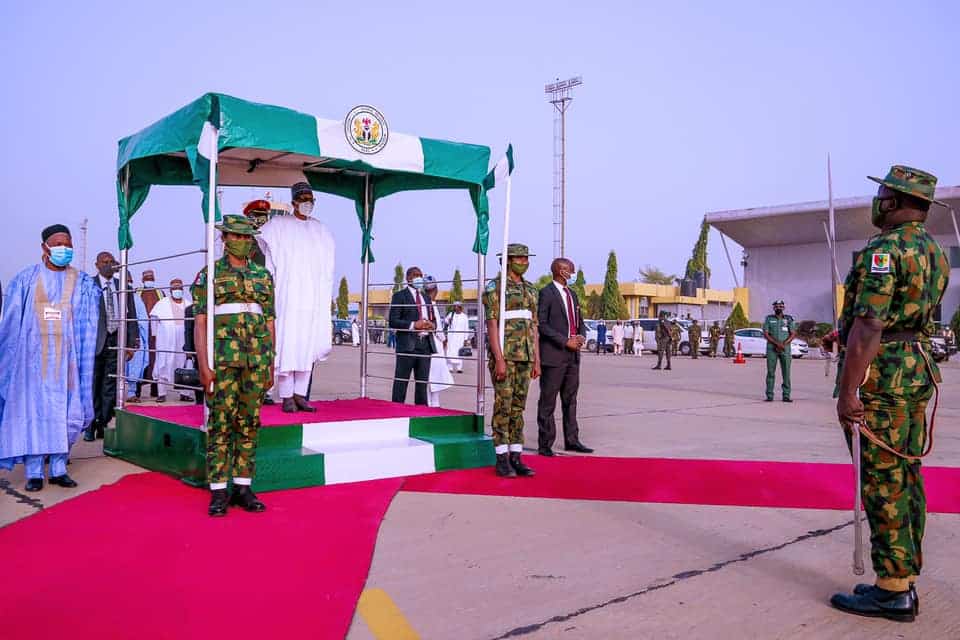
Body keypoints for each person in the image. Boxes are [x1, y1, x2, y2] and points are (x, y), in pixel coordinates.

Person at [830, 166, 949, 622]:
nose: (876, 201)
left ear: (895, 201)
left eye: (881, 193)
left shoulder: (885, 250)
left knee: (882, 483)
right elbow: (900, 318)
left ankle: (892, 589)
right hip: (912, 370)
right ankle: (902, 577)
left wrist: (848, 391)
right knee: (905, 475)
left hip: (882, 380)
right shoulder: (933, 250)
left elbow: (871, 324)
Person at [0, 225, 100, 490]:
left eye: (67, 244)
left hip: (67, 363)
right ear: (44, 247)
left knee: (64, 414)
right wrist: (7, 365)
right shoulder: (25, 280)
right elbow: (10, 323)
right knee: (33, 413)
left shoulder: (83, 283)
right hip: (30, 364)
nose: (64, 249)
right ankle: (34, 472)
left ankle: (58, 467)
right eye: (58, 244)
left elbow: (89, 323)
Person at [192, 215, 276, 517]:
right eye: (237, 237)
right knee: (220, 424)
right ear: (225, 239)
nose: (243, 242)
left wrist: (270, 363)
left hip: (255, 361)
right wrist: (203, 364)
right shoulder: (209, 275)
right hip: (223, 362)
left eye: (247, 237)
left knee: (249, 422)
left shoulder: (263, 276)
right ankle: (218, 489)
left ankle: (243, 486)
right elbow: (200, 323)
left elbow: (269, 321)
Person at [256, 182, 334, 414]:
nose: (307, 203)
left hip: (313, 297)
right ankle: (287, 396)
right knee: (288, 343)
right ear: (293, 202)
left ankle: (301, 395)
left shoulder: (321, 230)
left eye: (310, 199)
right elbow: (261, 243)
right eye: (303, 199)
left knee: (308, 344)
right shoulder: (278, 225)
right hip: (289, 295)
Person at [484, 244, 540, 477]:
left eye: (527, 258)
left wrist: (537, 359)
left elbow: (534, 326)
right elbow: (492, 325)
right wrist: (498, 359)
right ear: (507, 260)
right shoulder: (495, 288)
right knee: (503, 407)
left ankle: (516, 455)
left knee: (518, 408)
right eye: (520, 258)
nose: (524, 262)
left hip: (525, 357)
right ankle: (501, 457)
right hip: (505, 356)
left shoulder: (531, 289)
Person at [536, 257, 593, 457]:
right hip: (553, 356)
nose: (572, 272)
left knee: (571, 400)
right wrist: (564, 341)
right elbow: (542, 325)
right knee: (548, 402)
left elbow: (579, 320)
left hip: (573, 357)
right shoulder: (546, 293)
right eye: (570, 269)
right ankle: (545, 444)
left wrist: (581, 335)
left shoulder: (573, 294)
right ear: (560, 271)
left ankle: (572, 440)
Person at [85, 251, 139, 441]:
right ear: (97, 265)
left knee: (110, 384)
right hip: (94, 342)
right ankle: (90, 424)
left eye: (111, 262)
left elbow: (131, 316)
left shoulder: (124, 287)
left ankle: (103, 423)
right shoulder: (88, 285)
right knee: (93, 384)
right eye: (104, 262)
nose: (109, 265)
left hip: (116, 341)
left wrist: (132, 343)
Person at [389, 267, 436, 405]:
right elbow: (393, 321)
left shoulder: (426, 297)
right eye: (416, 275)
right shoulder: (399, 296)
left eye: (421, 275)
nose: (419, 278)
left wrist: (432, 325)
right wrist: (413, 325)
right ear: (408, 278)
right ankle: (396, 412)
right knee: (401, 383)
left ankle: (421, 414)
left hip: (425, 345)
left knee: (422, 385)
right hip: (407, 346)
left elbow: (434, 319)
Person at [149, 278, 191, 402]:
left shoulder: (188, 304)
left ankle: (185, 393)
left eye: (179, 288)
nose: (177, 290)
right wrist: (155, 335)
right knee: (163, 363)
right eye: (174, 288)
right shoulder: (162, 303)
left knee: (185, 365)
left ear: (183, 290)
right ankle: (161, 393)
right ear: (170, 290)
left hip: (183, 340)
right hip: (165, 340)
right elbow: (154, 320)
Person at [423, 277, 453, 407]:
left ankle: (431, 403)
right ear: (436, 290)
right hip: (434, 345)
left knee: (430, 378)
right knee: (434, 378)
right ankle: (433, 405)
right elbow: (438, 329)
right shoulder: (431, 305)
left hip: (426, 345)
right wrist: (444, 339)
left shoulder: (423, 304)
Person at [138, 269, 165, 400]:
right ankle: (136, 391)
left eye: (151, 278)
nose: (149, 280)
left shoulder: (160, 292)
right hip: (141, 331)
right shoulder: (137, 292)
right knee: (139, 359)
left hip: (156, 333)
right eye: (147, 278)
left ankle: (155, 390)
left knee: (156, 360)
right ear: (143, 280)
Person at [762, 300, 796, 402]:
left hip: (785, 349)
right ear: (773, 308)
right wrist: (777, 344)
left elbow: (793, 333)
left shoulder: (789, 319)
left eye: (781, 306)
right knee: (771, 372)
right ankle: (769, 395)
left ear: (784, 308)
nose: (778, 308)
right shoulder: (769, 319)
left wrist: (783, 344)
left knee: (786, 373)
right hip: (772, 349)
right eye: (776, 306)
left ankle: (786, 395)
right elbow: (766, 334)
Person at [124, 272, 150, 403]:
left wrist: (142, 339)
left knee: (134, 363)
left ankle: (131, 392)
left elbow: (143, 321)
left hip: (133, 335)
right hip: (114, 336)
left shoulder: (135, 298)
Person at [445, 301, 470, 374]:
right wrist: (448, 320)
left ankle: (459, 368)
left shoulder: (464, 316)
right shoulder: (451, 314)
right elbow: (445, 321)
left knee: (460, 353)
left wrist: (466, 339)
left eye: (456, 306)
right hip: (451, 337)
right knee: (450, 352)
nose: (455, 308)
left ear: (460, 307)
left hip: (460, 338)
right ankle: (450, 368)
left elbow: (466, 328)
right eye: (454, 306)